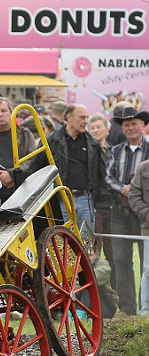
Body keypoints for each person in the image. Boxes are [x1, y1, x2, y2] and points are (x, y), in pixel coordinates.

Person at [31, 104, 109, 232]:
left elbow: (100, 174)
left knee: (85, 243)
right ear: (69, 117)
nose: (85, 121)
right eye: (82, 118)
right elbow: (36, 168)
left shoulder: (93, 143)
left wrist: (99, 202)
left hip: (86, 199)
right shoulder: (51, 141)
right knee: (63, 242)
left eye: (87, 118)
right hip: (61, 199)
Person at [111, 106, 149, 316]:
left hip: (143, 213)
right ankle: (127, 308)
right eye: (127, 125)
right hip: (120, 209)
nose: (131, 128)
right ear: (123, 128)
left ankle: (147, 307)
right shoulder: (116, 151)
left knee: (147, 262)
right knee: (120, 259)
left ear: (142, 125)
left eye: (134, 123)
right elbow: (108, 176)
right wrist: (122, 188)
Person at [0, 97, 35, 199]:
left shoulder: (24, 135)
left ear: (11, 113)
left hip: (20, 188)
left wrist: (12, 174)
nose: (0, 114)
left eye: (4, 111)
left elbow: (32, 160)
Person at [88, 112, 115, 263]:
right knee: (94, 248)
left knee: (113, 251)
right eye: (92, 128)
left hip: (112, 205)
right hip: (95, 205)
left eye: (99, 127)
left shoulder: (115, 151)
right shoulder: (88, 151)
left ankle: (114, 285)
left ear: (107, 129)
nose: (96, 130)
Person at [127, 148, 149, 315]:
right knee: (148, 271)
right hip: (148, 229)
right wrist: (146, 214)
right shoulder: (143, 168)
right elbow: (133, 195)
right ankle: (145, 312)